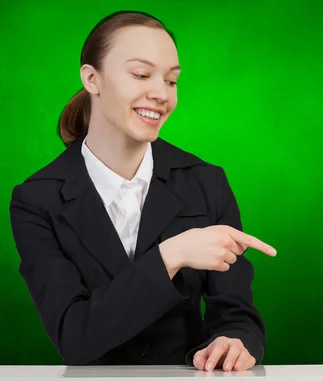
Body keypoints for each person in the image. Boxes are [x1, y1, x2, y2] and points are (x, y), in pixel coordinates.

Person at [8, 10, 276, 372]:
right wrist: (171, 254)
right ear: (92, 78)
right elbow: (74, 337)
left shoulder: (206, 182)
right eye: (140, 74)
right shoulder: (37, 200)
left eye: (172, 81)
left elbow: (237, 313)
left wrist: (236, 341)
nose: (160, 94)